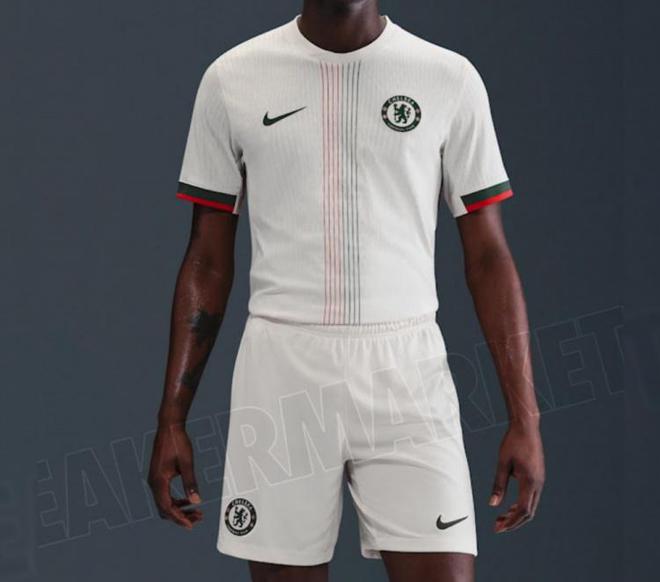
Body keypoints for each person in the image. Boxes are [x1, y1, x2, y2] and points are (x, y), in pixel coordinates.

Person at [148, 1, 545, 580]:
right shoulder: (233, 78)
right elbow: (207, 261)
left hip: (407, 372)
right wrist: (171, 419)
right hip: (283, 373)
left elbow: (488, 258)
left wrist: (525, 419)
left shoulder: (447, 77)